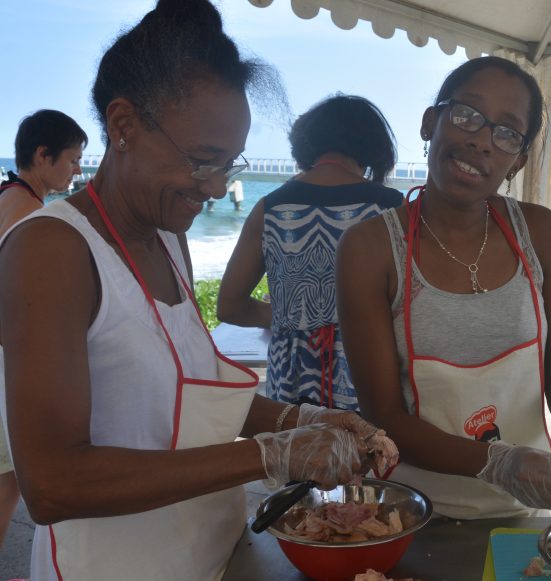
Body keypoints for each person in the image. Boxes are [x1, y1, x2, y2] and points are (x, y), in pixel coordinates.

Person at [0, 2, 394, 579]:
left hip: (214, 551)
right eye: (201, 161)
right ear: (124, 125)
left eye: (229, 166)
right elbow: (53, 484)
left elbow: (191, 398)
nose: (214, 188)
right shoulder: (50, 250)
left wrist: (301, 420)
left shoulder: (168, 238)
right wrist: (266, 455)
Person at [336, 56, 551, 519]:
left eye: (507, 131)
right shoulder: (371, 248)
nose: (480, 139)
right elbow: (383, 419)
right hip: (411, 512)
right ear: (430, 122)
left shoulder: (540, 232)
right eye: (467, 114)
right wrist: (499, 461)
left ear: (519, 160)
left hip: (524, 505)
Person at [219, 94, 403, 412]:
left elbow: (229, 307)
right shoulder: (389, 208)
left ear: (307, 143)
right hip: (370, 378)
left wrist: (291, 318)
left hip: (291, 392)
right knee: (373, 456)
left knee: (297, 458)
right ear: (373, 145)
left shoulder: (269, 208)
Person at [0, 108, 87, 548]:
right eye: (72, 159)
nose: (78, 169)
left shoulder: (8, 195)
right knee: (7, 477)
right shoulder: (28, 214)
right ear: (42, 154)